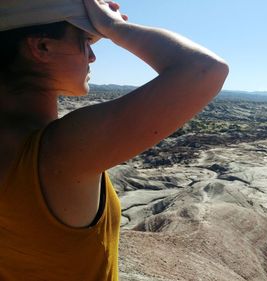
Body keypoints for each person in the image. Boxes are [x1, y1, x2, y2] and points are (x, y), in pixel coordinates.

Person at [0, 0, 229, 280]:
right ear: (43, 47)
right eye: (85, 40)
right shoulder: (60, 150)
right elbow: (204, 69)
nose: (93, 57)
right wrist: (114, 26)